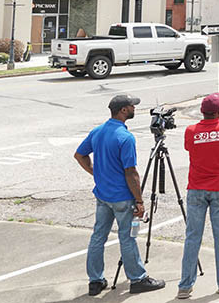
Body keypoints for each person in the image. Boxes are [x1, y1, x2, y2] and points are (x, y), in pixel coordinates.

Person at [74, 94, 165, 296]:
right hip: (122, 197)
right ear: (124, 110)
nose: (135, 108)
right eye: (132, 106)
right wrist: (139, 201)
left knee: (98, 236)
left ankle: (95, 281)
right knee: (127, 238)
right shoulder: (125, 138)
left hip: (102, 195)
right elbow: (131, 172)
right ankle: (138, 278)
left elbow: (79, 155)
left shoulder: (97, 132)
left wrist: (95, 172)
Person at [177, 93, 219, 299]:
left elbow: (189, 148)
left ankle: (185, 285)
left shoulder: (191, 131)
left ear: (202, 112)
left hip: (196, 187)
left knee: (192, 236)